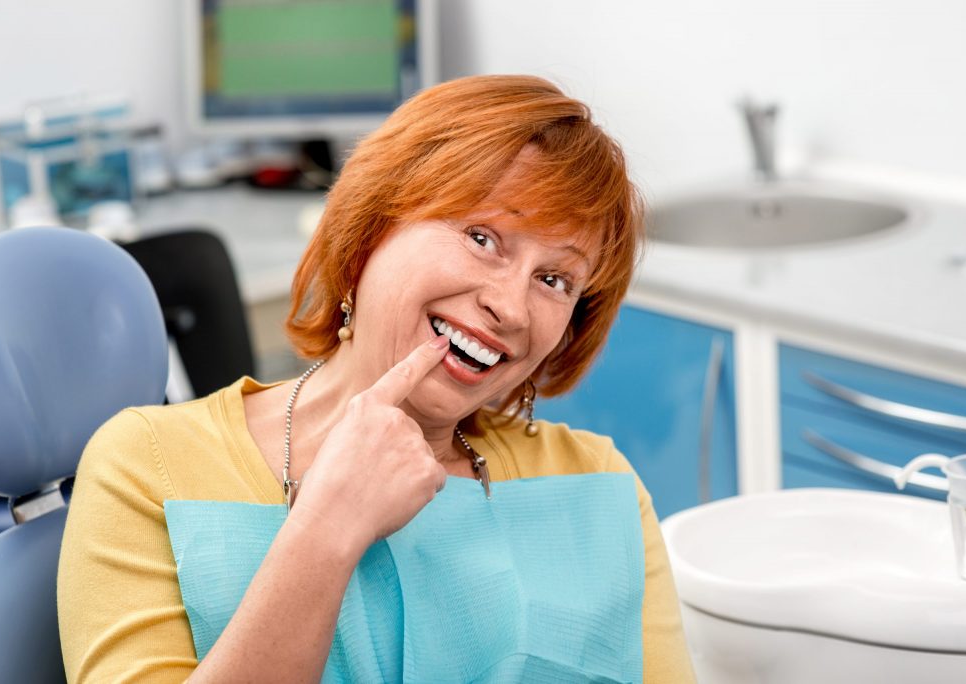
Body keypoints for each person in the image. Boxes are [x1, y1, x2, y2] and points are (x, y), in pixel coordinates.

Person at [57, 74, 696, 683]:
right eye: (482, 237)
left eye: (554, 280)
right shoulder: (146, 466)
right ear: (368, 235)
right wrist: (328, 529)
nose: (512, 306)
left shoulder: (599, 485)